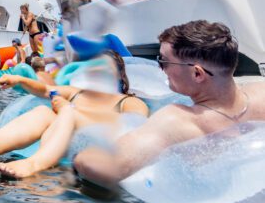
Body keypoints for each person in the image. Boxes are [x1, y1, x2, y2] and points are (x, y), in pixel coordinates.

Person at [73, 20, 265, 187]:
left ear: (197, 74)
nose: (160, 68)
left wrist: (78, 158)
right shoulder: (261, 92)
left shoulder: (178, 121)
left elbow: (103, 167)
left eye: (163, 61)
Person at [0, 51, 149, 178]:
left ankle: (33, 164)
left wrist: (71, 110)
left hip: (94, 148)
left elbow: (135, 128)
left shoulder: (127, 101)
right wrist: (18, 79)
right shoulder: (76, 92)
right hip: (61, 144)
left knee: (69, 113)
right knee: (45, 111)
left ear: (118, 76)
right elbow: (46, 90)